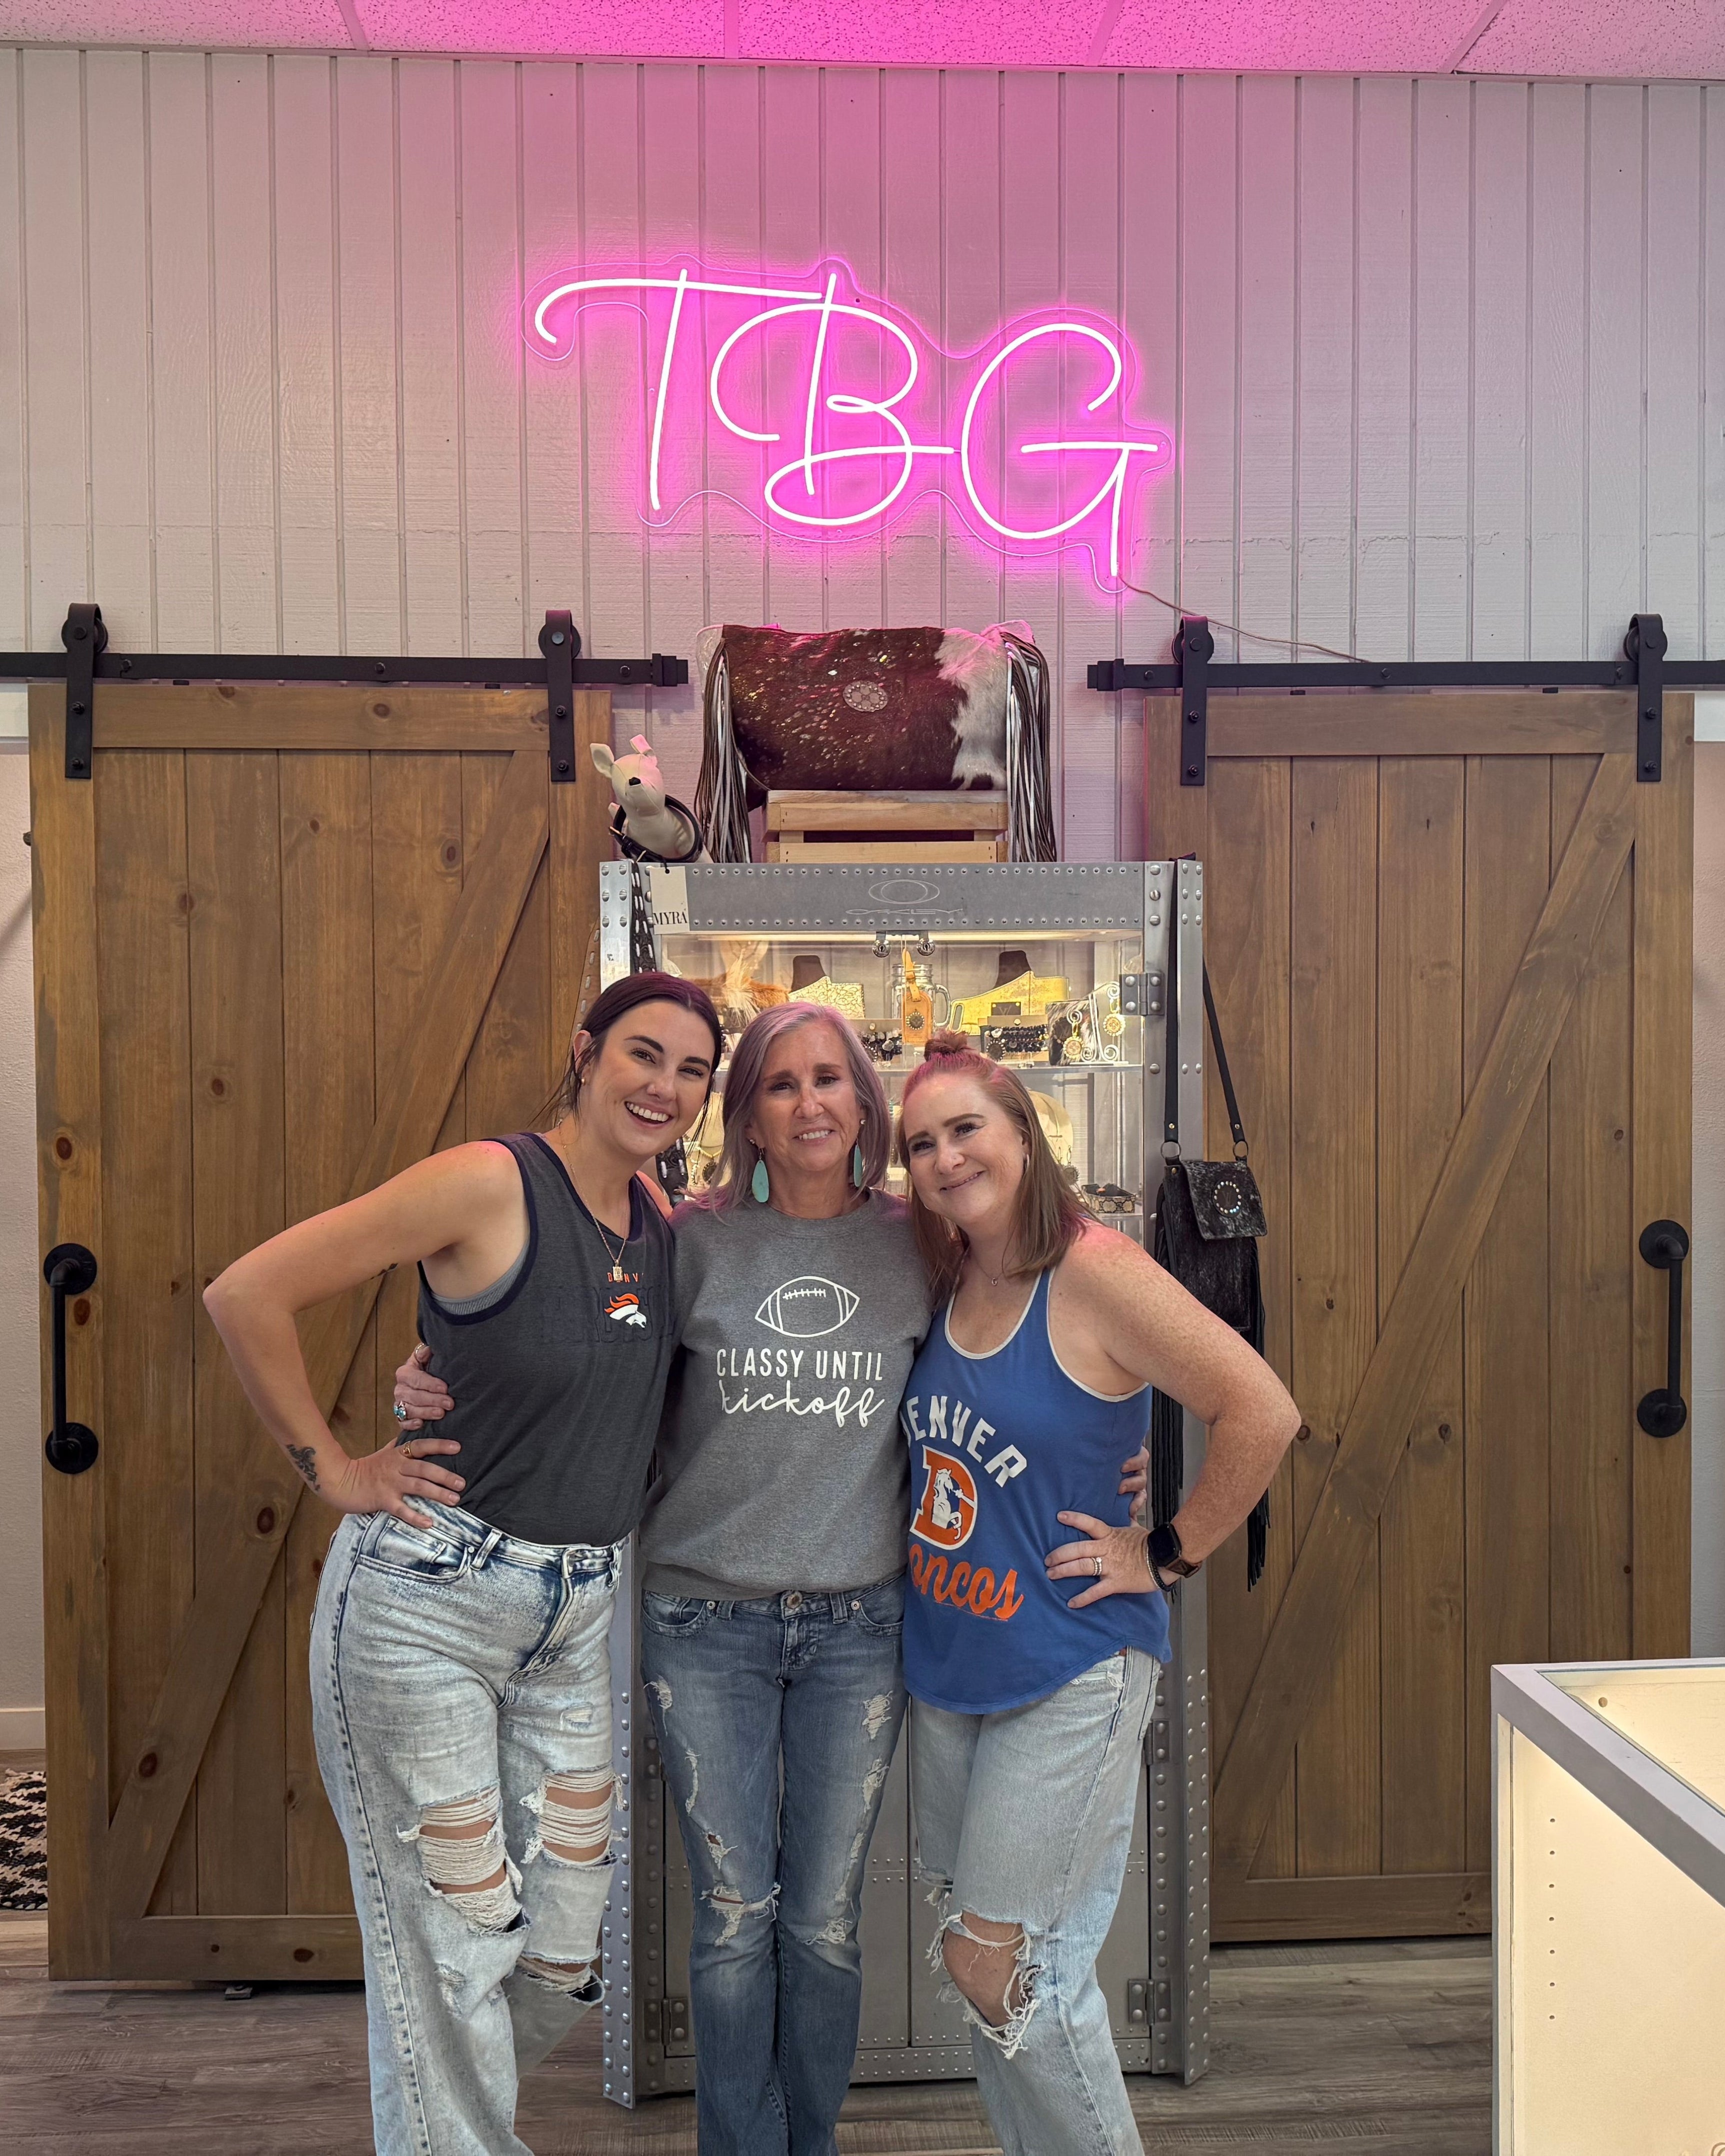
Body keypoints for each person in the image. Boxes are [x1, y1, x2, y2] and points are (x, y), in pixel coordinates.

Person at [393, 1000, 1148, 2156]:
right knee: (737, 1921)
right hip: (704, 1619)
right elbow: (565, 1332)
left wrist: (1146, 1474)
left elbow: (1048, 1331)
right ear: (746, 1109)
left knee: (826, 1923)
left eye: (831, 1080)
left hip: (864, 1624)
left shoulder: (925, 1239)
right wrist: (440, 1374)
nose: (809, 1102)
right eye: (780, 1082)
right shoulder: (681, 1237)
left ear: (865, 1105)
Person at [203, 973, 722, 2156]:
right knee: (447, 1948)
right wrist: (335, 1467)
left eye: (693, 1069)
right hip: (426, 1605)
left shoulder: (654, 1215)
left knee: (555, 1943)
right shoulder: (492, 1180)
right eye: (645, 1054)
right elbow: (249, 1293)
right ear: (585, 1054)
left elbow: (564, 1357)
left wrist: (447, 1364)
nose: (666, 1086)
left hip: (572, 1613)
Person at [896, 1031, 1300, 2156]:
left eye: (965, 1127)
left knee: (1008, 1966)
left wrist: (1163, 1547)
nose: (944, 1155)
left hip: (1069, 1663)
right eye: (921, 1141)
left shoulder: (1095, 1266)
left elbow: (1261, 1410)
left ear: (1023, 1130)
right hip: (954, 1666)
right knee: (997, 1974)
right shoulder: (952, 1271)